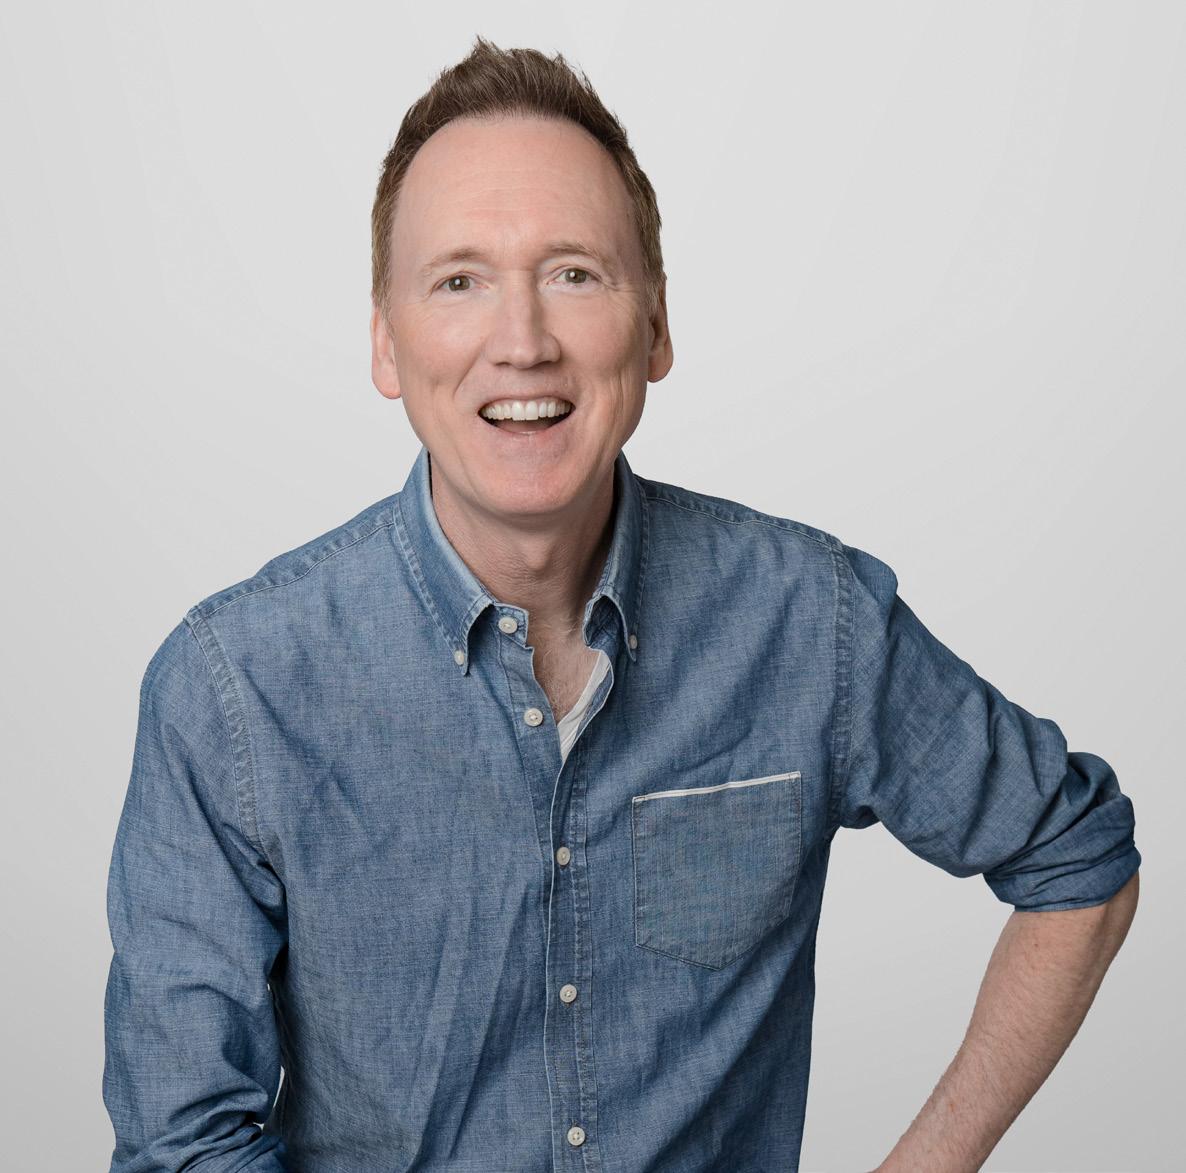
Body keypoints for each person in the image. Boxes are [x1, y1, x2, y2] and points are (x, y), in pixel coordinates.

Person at [102, 36, 1141, 1173]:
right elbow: (184, 1143)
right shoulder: (234, 689)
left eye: (573, 274)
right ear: (387, 343)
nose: (522, 342)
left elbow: (1075, 856)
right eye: (459, 281)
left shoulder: (810, 620)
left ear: (654, 327)